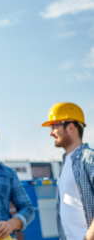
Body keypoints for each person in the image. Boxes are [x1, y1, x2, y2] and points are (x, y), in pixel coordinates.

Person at [42, 102, 94, 240]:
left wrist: (90, 235)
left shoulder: (89, 158)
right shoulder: (65, 164)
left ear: (71, 127)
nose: (51, 133)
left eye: (55, 126)